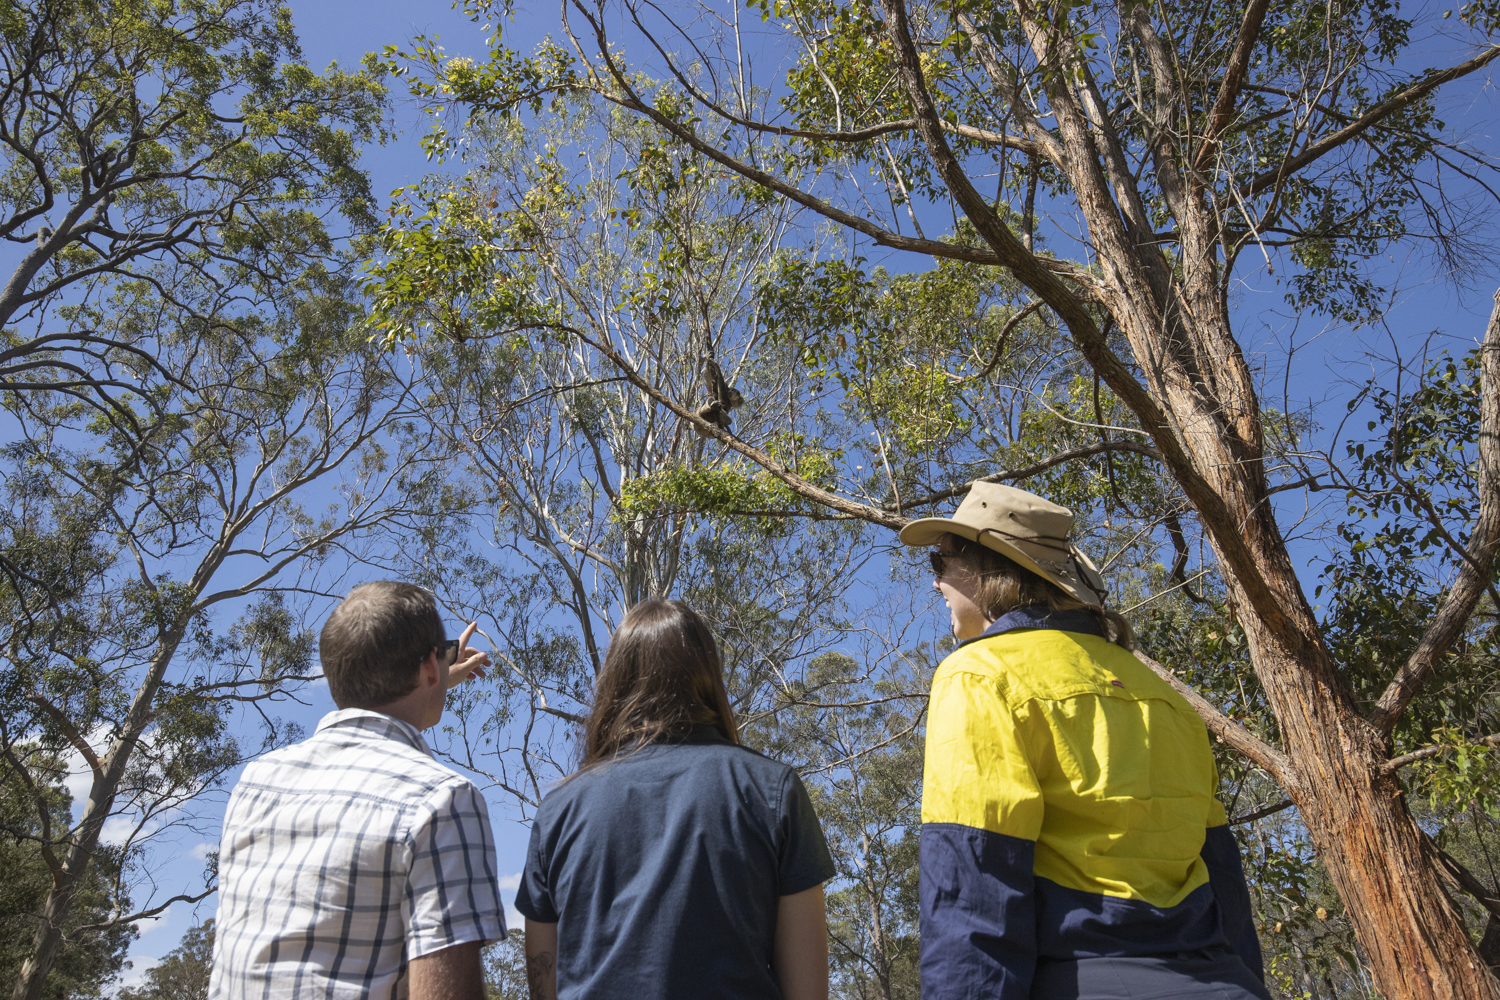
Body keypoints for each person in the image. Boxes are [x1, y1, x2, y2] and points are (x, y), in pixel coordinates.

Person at [899, 483, 1269, 1000]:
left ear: (986, 569)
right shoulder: (1163, 696)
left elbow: (974, 878)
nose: (936, 582)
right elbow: (1223, 877)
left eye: (940, 562)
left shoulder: (979, 674)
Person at [515, 599, 835, 1000]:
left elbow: (543, 982)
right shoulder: (772, 789)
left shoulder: (558, 811)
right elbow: (807, 991)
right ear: (707, 675)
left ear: (614, 681)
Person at [209, 581, 506, 1000]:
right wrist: (432, 679)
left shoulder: (256, 782)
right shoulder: (443, 800)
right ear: (428, 667)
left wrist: (435, 678)